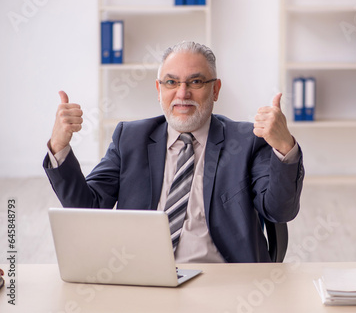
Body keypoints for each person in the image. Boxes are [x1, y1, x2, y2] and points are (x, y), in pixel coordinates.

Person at [43, 41, 304, 263]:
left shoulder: (247, 141)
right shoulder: (130, 138)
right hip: (143, 276)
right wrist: (59, 146)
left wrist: (283, 146)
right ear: (159, 90)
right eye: (171, 82)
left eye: (196, 81)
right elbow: (87, 208)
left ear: (215, 90)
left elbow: (279, 212)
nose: (182, 93)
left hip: (224, 280)